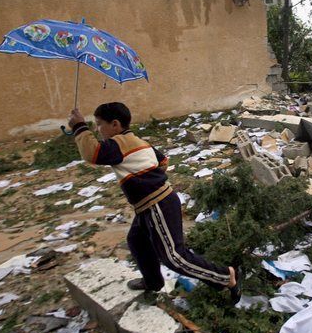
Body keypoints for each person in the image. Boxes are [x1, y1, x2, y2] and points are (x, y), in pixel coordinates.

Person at [68, 102, 241, 302]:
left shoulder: (118, 144)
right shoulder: (137, 141)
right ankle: (153, 282)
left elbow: (93, 153)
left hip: (157, 204)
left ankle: (226, 277)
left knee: (174, 257)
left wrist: (79, 126)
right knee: (137, 241)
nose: (97, 130)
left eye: (99, 125)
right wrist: (147, 174)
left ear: (115, 124)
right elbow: (163, 161)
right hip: (152, 204)